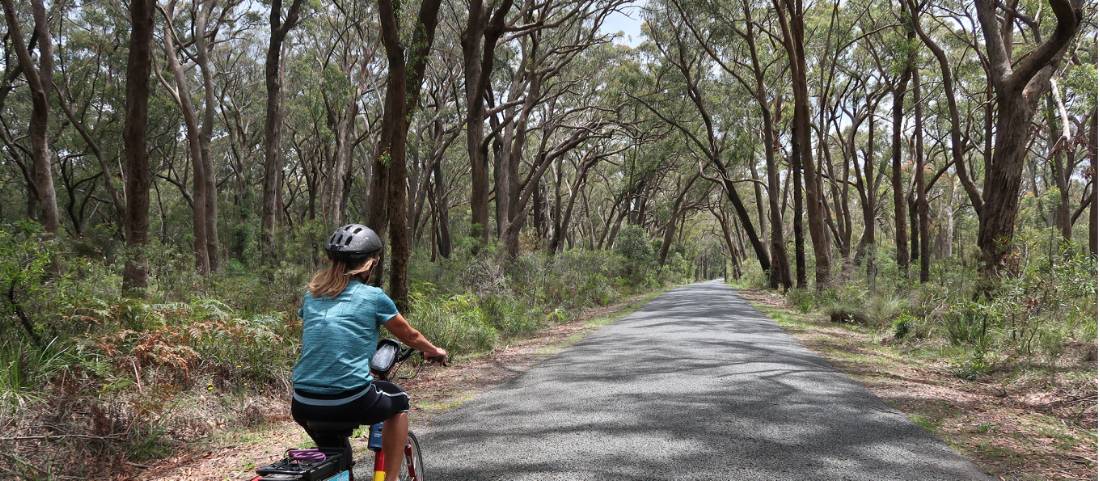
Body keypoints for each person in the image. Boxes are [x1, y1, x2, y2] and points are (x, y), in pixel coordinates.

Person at [291, 223, 447, 481]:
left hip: (303, 402)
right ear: (369, 264)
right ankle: (390, 479)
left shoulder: (312, 296)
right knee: (399, 402)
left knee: (336, 451)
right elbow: (410, 336)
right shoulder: (373, 297)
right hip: (349, 399)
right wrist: (435, 351)